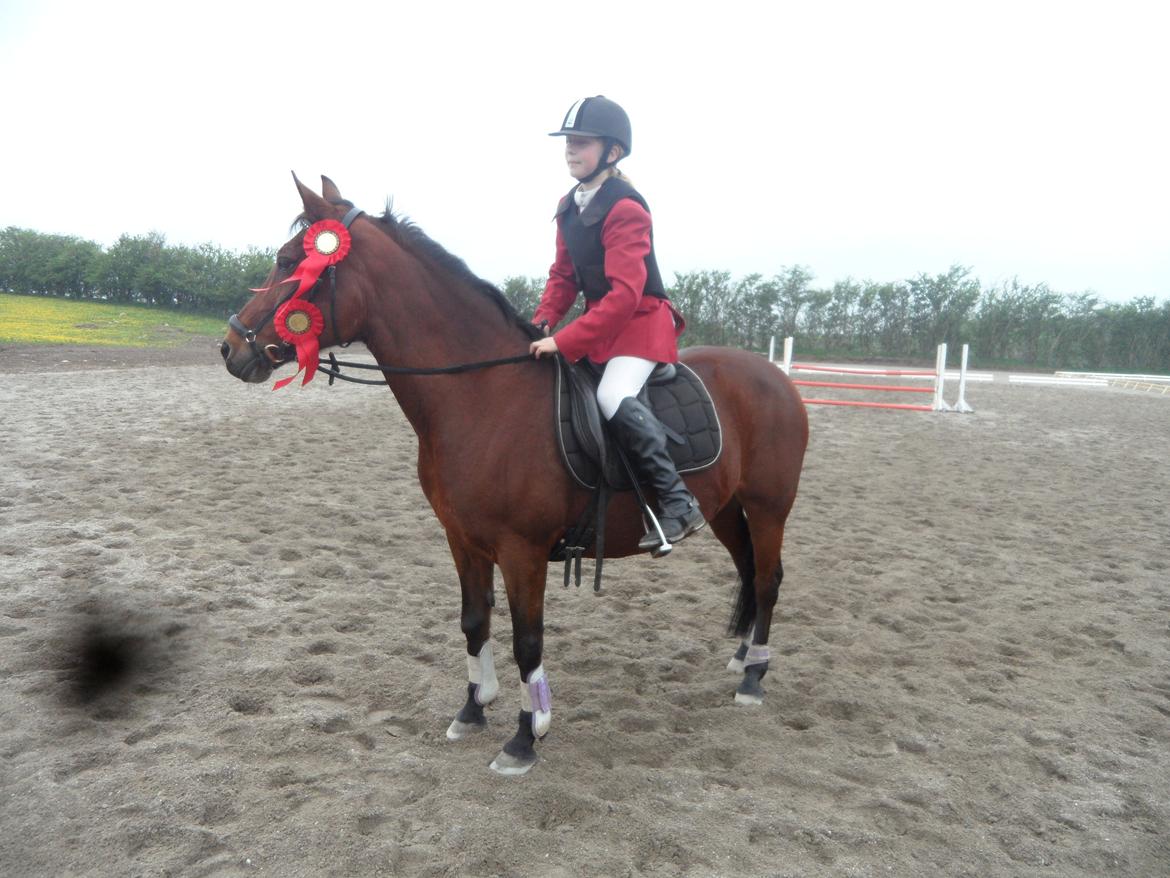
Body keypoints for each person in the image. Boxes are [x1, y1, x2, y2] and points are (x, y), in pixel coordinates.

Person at [529, 95, 705, 554]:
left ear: (612, 151)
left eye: (582, 142)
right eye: (568, 141)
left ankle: (678, 500)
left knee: (611, 395)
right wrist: (542, 322)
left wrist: (564, 340)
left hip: (641, 322)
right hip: (602, 324)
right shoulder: (568, 206)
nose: (571, 149)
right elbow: (563, 277)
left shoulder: (626, 207)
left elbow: (626, 295)